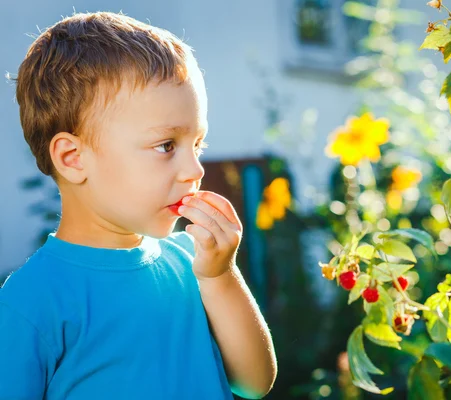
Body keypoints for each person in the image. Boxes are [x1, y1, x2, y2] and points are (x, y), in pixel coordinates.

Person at [0, 11, 277, 399]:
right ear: (73, 158)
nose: (194, 169)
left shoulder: (194, 265)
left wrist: (220, 277)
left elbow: (254, 383)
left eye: (197, 145)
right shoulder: (32, 301)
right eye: (166, 146)